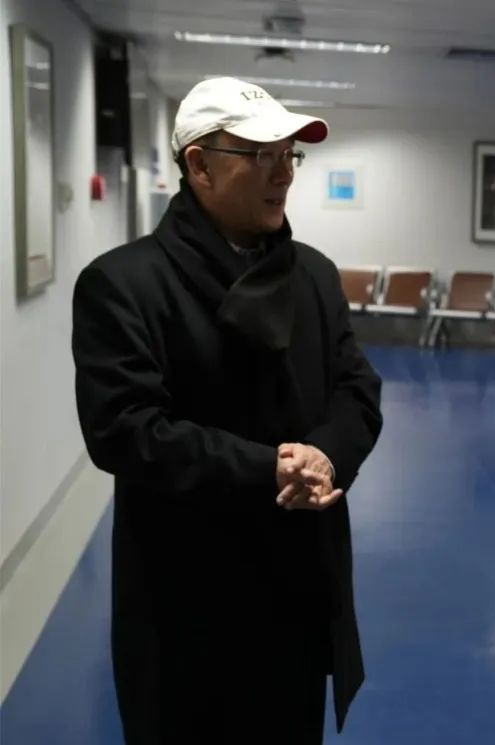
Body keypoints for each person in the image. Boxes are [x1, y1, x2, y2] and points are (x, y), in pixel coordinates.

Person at [71, 77, 384, 744]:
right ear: (200, 165)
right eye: (260, 155)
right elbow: (124, 430)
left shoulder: (314, 276)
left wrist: (326, 456)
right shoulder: (124, 284)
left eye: (289, 155)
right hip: (184, 603)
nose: (283, 173)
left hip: (298, 590)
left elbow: (357, 389)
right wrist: (268, 468)